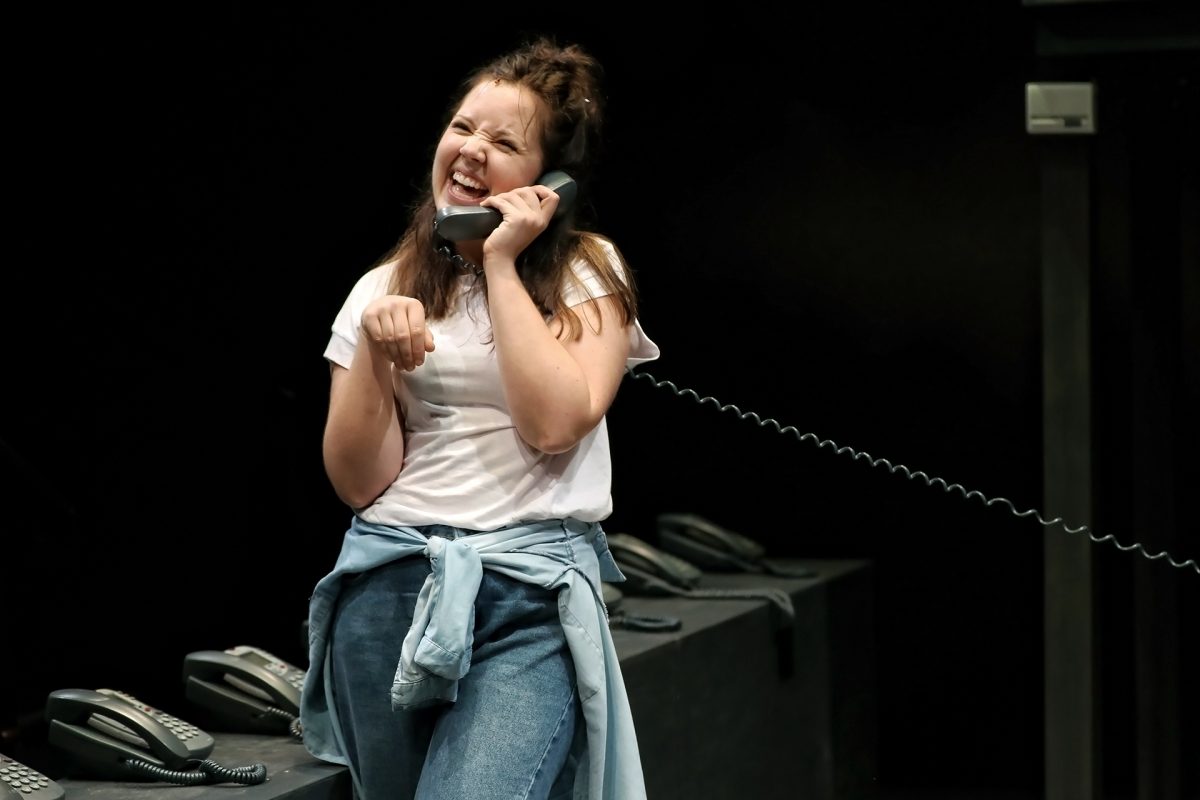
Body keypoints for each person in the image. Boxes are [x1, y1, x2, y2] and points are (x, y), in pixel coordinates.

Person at [298, 36, 660, 800]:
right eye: (463, 127)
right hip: (386, 587)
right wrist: (373, 350)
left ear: (546, 181)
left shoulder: (585, 270)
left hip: (524, 599)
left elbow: (556, 423)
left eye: (503, 142)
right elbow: (360, 483)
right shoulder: (380, 287)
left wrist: (497, 261)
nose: (470, 151)